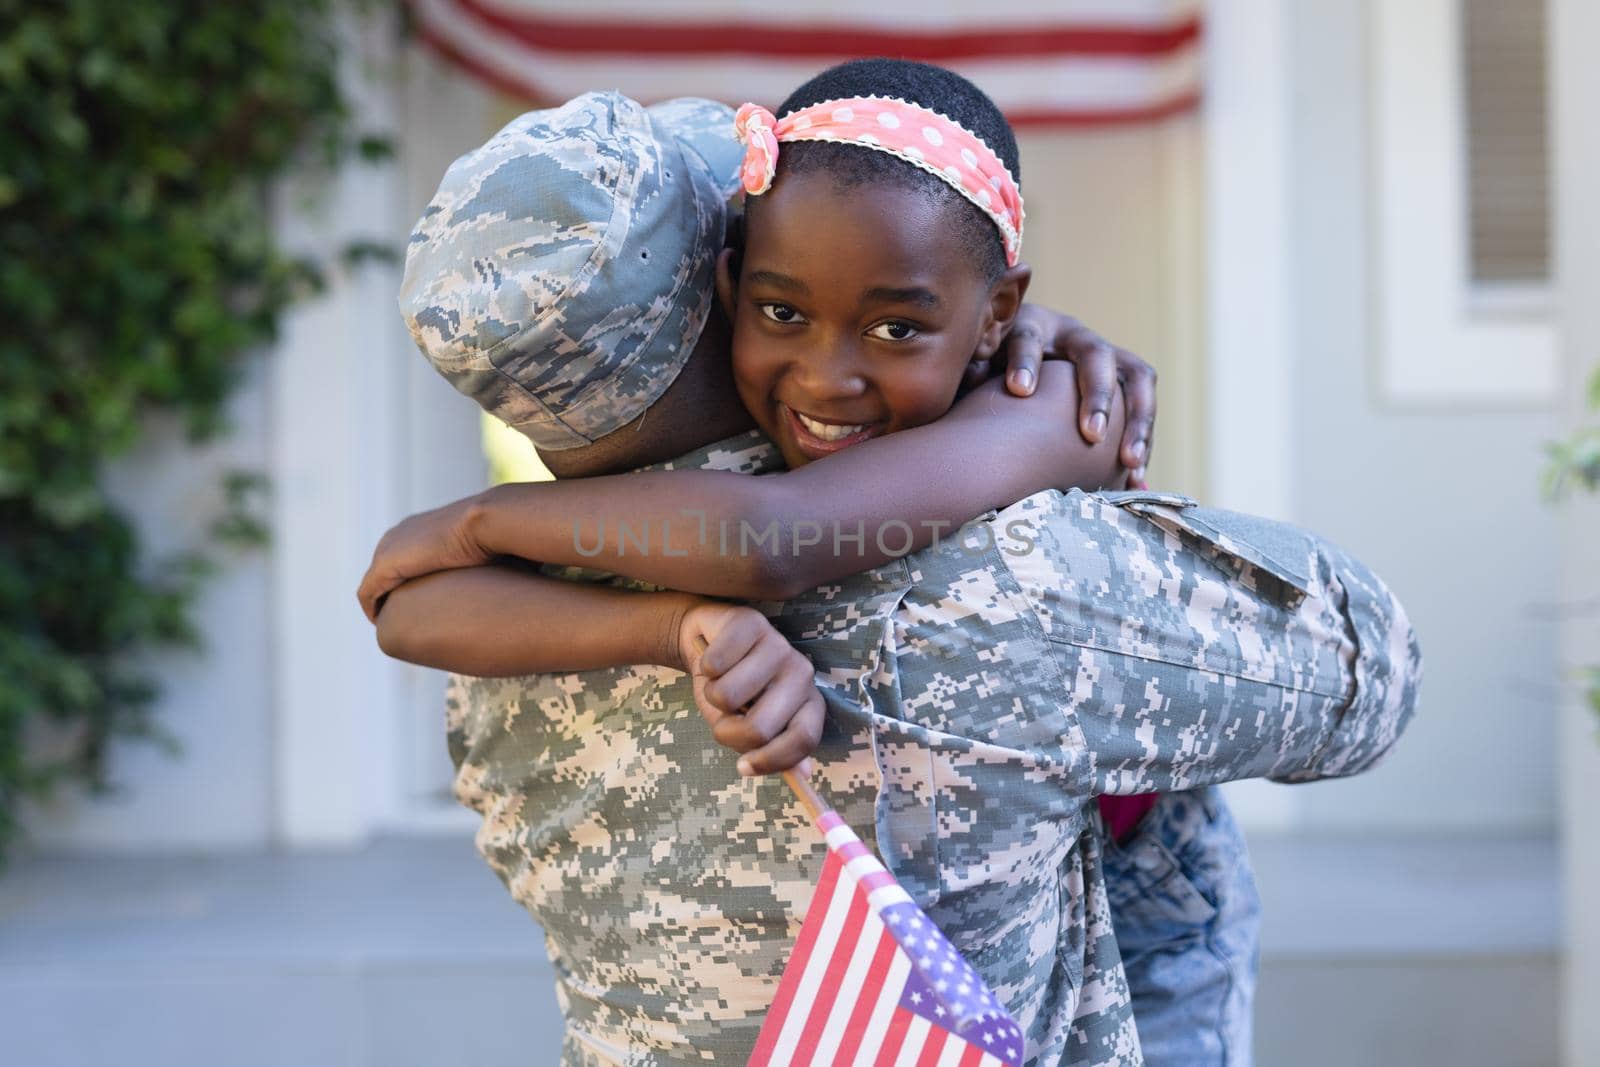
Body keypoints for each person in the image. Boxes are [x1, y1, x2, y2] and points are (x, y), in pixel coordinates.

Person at [363, 64, 1421, 1067]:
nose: (832, 368)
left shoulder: (500, 638)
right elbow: (1370, 671)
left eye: (895, 323)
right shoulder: (1005, 582)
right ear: (720, 285)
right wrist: (1038, 407)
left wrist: (484, 523)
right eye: (784, 305)